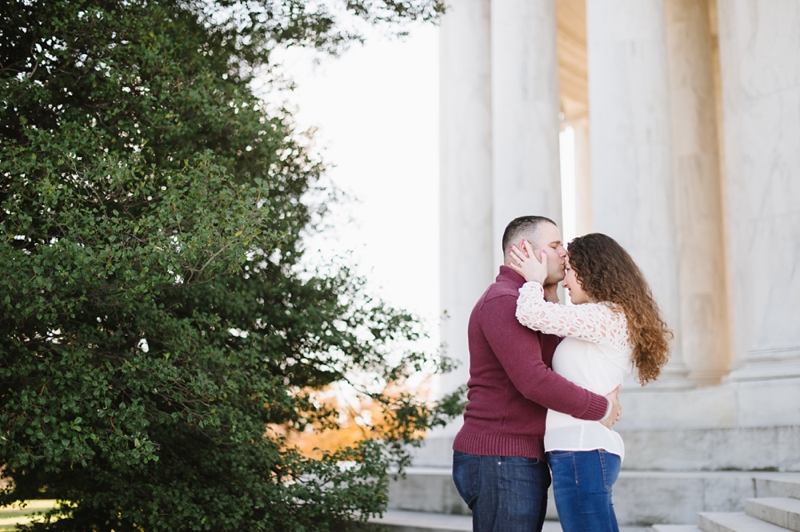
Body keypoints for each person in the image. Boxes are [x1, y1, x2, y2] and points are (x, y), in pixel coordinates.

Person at [452, 216, 622, 532]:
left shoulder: (533, 304)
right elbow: (534, 380)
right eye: (556, 246)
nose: (564, 254)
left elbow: (563, 363)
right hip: (500, 455)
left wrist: (552, 291)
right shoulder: (504, 300)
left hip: (518, 457)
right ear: (525, 251)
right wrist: (603, 408)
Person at [507, 232, 672, 532]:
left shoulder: (604, 316)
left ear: (591, 271)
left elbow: (530, 312)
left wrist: (534, 280)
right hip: (581, 452)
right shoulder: (605, 318)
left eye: (569, 271)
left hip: (580, 452)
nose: (566, 280)